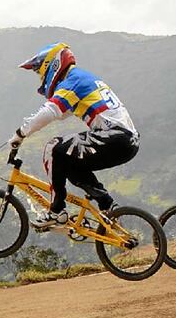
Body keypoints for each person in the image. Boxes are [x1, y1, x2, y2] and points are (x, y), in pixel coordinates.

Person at [9, 42, 138, 229]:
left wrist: (20, 134)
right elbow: (60, 113)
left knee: (53, 147)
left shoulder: (74, 79)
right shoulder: (82, 78)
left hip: (115, 137)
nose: (41, 77)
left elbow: (51, 111)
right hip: (127, 142)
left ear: (51, 65)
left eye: (39, 72)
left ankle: (56, 211)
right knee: (68, 162)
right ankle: (107, 205)